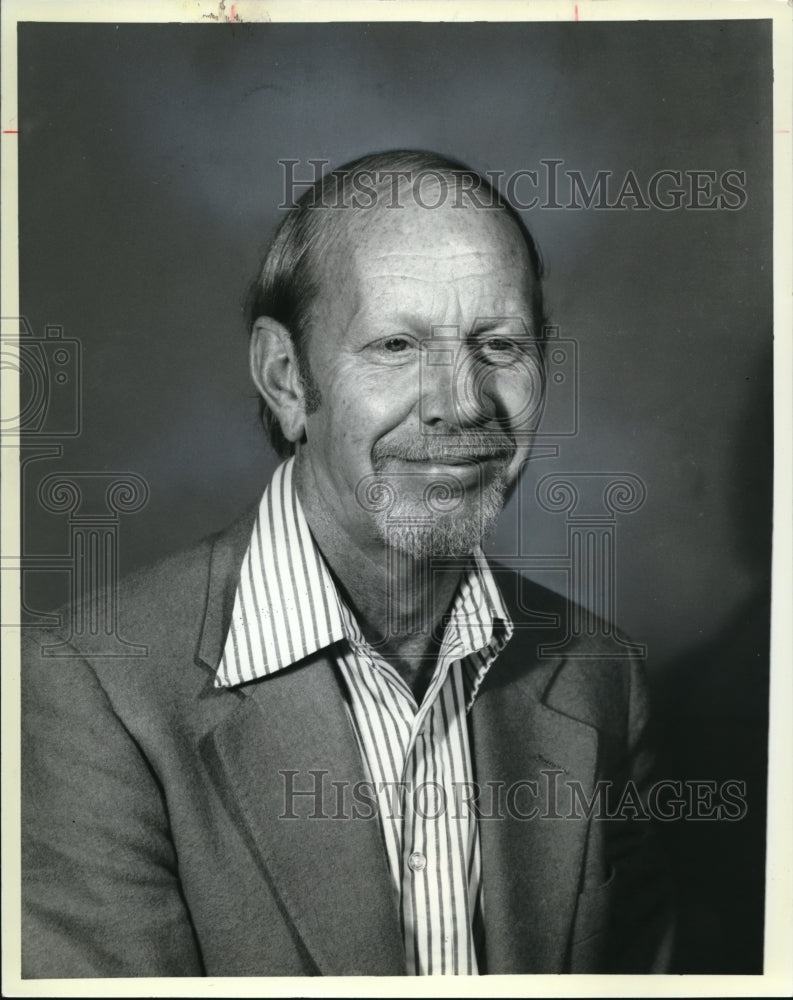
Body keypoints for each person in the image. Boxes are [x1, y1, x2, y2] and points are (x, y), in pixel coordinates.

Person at [21, 150, 674, 977]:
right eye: (397, 344)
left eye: (500, 344)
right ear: (286, 380)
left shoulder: (600, 677)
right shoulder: (89, 692)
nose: (460, 402)